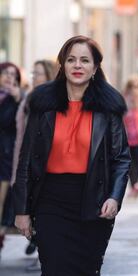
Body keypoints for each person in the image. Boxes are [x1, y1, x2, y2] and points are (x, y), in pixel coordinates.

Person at [12, 35, 131, 275]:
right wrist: (21, 210)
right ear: (62, 65)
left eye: (85, 60)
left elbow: (121, 158)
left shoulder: (109, 107)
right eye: (71, 60)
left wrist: (114, 197)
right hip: (50, 201)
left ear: (95, 67)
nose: (78, 66)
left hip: (94, 201)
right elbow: (26, 160)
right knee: (54, 267)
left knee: (87, 270)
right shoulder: (43, 104)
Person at [10, 59, 57, 270]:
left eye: (37, 73)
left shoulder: (51, 100)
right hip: (21, 155)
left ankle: (43, 253)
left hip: (39, 162)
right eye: (32, 74)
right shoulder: (30, 97)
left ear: (47, 75)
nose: (33, 78)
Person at [0, 61, 22, 257]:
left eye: (13, 74)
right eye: (5, 73)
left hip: (5, 157)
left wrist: (18, 99)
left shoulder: (17, 99)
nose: (9, 77)